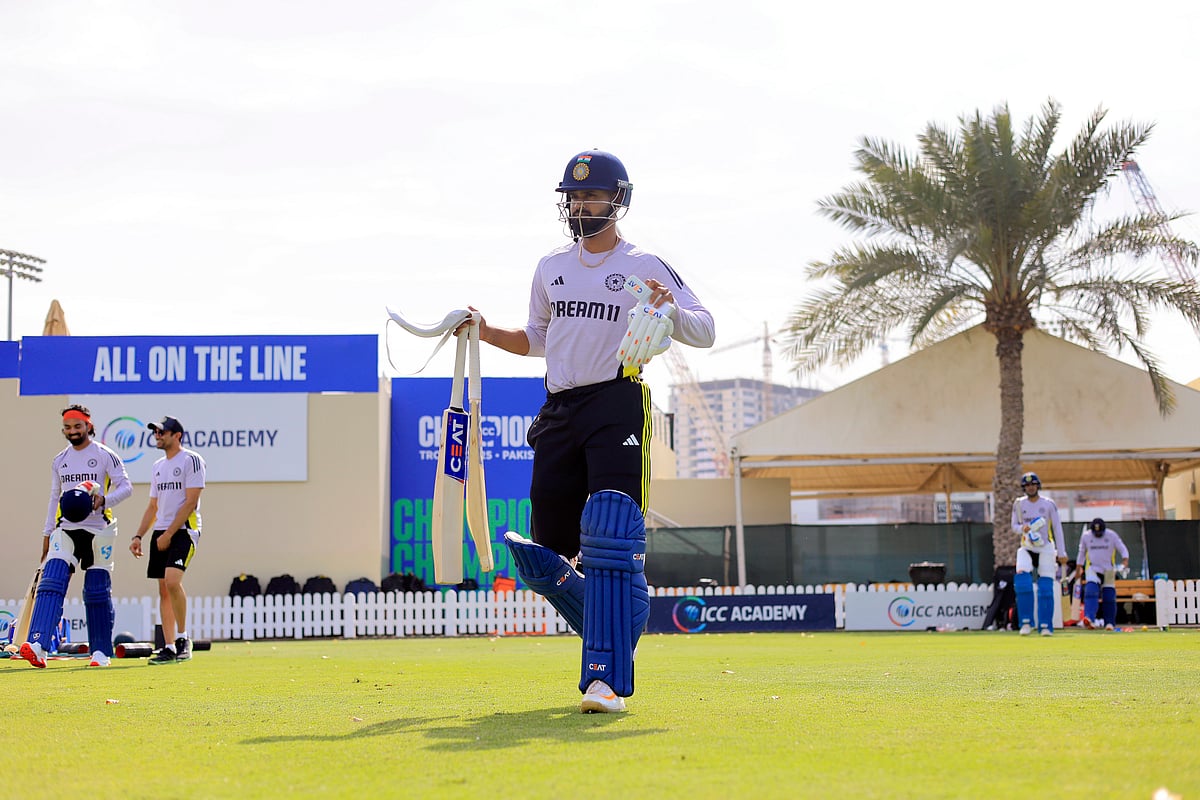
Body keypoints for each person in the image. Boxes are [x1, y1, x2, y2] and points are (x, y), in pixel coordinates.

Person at [465, 149, 715, 712]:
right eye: (573, 197)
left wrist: (670, 310)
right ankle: (624, 621)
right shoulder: (550, 267)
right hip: (558, 410)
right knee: (547, 553)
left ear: (617, 200)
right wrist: (482, 330)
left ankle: (604, 682)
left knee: (610, 532)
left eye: (591, 195)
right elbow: (535, 339)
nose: (580, 205)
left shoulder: (645, 262)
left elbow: (704, 329)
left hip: (616, 402)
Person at [19, 404, 133, 668]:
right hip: (66, 528)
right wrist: (47, 532)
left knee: (96, 591)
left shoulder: (105, 455)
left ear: (88, 426)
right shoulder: (60, 460)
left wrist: (103, 501)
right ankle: (38, 645)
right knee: (51, 581)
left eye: (78, 426)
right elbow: (53, 498)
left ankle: (101, 652)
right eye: (68, 427)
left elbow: (126, 487)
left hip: (99, 529)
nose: (73, 431)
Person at [131, 416, 206, 665]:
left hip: (183, 530)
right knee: (163, 589)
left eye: (162, 432)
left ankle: (184, 639)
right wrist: (139, 535)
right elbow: (153, 506)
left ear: (177, 436)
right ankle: (169, 646)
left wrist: (169, 534)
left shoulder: (191, 460)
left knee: (173, 581)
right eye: (155, 433)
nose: (158, 436)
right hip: (160, 531)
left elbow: (191, 502)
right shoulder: (157, 466)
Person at [1010, 471, 1068, 636]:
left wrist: (1061, 552)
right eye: (1027, 485)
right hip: (1026, 547)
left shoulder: (1048, 504)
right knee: (1022, 583)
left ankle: (1045, 626)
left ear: (1038, 485)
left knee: (1045, 588)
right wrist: (1023, 528)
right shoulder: (1019, 504)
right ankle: (1026, 623)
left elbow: (1057, 528)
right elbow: (1013, 526)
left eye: (1033, 484)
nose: (1030, 488)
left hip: (1045, 548)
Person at [1074, 518, 1130, 630]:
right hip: (1093, 567)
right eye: (1096, 533)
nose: (1098, 535)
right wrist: (1078, 568)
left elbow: (1122, 548)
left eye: (1100, 533)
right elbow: (1081, 552)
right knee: (1091, 591)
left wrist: (1125, 561)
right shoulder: (1086, 536)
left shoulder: (1111, 535)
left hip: (1108, 568)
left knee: (1109, 596)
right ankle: (1089, 618)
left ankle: (1109, 622)